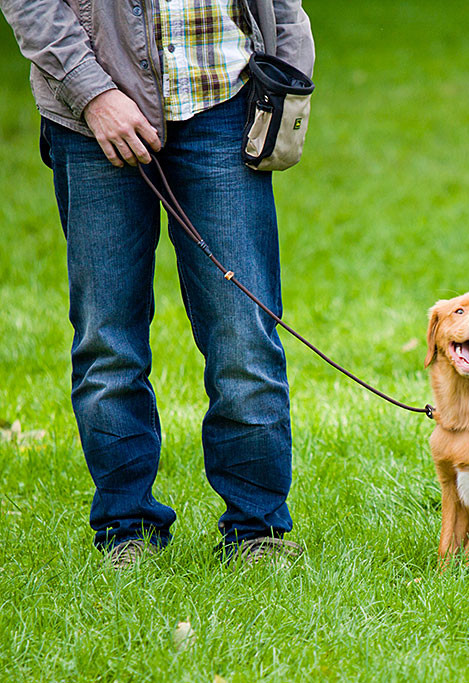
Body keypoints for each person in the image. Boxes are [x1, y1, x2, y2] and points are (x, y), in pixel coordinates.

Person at [0, 1, 314, 568]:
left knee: (246, 338)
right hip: (92, 114)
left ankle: (258, 531)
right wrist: (90, 92)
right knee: (107, 342)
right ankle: (127, 529)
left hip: (224, 99)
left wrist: (290, 78)